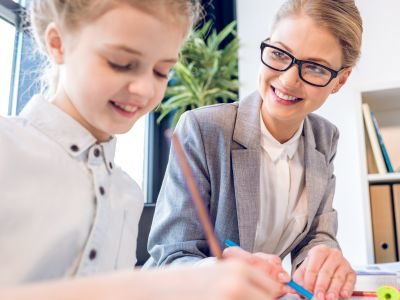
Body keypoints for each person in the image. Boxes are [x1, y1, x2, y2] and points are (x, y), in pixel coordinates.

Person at [0, 1, 289, 299]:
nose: (144, 89)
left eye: (162, 72)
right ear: (58, 43)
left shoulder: (126, 193)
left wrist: (204, 274)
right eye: (121, 63)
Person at [147, 0, 363, 300]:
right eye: (278, 53)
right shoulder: (204, 128)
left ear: (340, 80)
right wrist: (221, 275)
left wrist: (323, 259)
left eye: (314, 67)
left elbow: (317, 235)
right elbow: (169, 260)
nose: (287, 79)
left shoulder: (324, 138)